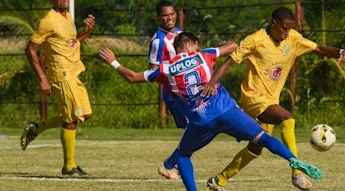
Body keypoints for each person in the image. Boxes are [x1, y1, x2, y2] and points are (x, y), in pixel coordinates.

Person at [99, 32, 323, 191]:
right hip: (226, 110)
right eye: (195, 45)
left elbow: (132, 77)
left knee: (184, 155)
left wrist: (114, 62)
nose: (197, 48)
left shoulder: (165, 69)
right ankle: (293, 160)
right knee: (262, 137)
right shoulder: (203, 55)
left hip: (201, 119)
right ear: (189, 46)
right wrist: (216, 49)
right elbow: (233, 46)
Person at [201, 7, 345, 190]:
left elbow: (317, 48)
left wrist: (340, 51)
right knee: (287, 118)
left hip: (271, 100)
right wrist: (211, 82)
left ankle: (220, 179)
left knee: (255, 148)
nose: (287, 33)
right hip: (253, 98)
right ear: (273, 24)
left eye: (289, 29)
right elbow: (230, 61)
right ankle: (297, 173)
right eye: (284, 28)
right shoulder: (255, 40)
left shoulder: (293, 38)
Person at [21, 0, 96, 176]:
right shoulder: (48, 21)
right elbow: (30, 49)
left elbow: (70, 43)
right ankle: (69, 166)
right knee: (72, 118)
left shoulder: (68, 16)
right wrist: (42, 79)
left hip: (74, 71)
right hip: (60, 74)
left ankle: (36, 128)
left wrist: (85, 33)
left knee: (85, 115)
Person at [149, 0, 188, 129]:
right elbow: (152, 70)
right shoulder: (158, 41)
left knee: (196, 127)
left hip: (190, 87)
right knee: (190, 127)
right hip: (175, 93)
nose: (169, 18)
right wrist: (170, 77)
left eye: (172, 14)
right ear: (158, 18)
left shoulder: (180, 32)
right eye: (165, 15)